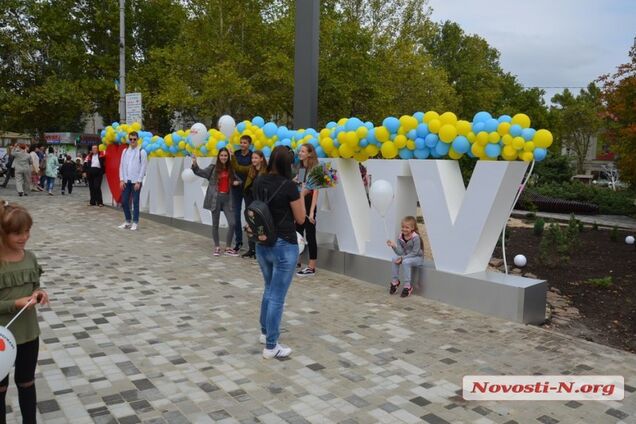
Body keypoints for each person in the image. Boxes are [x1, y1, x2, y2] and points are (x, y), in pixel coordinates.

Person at [252, 146, 307, 359]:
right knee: (277, 296)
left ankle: (265, 334)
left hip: (262, 242)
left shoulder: (259, 181)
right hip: (284, 244)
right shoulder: (289, 187)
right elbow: (301, 218)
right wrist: (300, 192)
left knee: (268, 290)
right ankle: (272, 346)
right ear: (288, 164)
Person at [0, 200, 50, 423]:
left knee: (27, 383)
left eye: (27, 231)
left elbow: (34, 285)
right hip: (2, 338)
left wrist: (38, 293)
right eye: (17, 233)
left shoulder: (30, 257)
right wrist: (15, 303)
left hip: (29, 334)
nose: (24, 237)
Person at [191, 148, 239, 256]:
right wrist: (194, 163)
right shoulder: (213, 168)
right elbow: (200, 172)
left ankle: (227, 247)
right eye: (221, 155)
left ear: (228, 157)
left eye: (225, 155)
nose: (223, 157)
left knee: (232, 223)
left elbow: (238, 179)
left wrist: (236, 182)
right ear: (218, 156)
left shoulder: (231, 169)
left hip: (227, 199)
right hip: (215, 199)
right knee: (215, 224)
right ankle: (217, 247)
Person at [231, 149, 267, 258]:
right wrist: (232, 156)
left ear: (261, 159)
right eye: (252, 158)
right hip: (249, 199)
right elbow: (237, 168)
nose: (253, 160)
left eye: (256, 158)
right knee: (250, 223)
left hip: (260, 201)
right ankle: (251, 249)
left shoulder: (266, 171)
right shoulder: (250, 168)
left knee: (260, 224)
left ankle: (259, 250)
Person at [294, 143, 320, 276]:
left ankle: (311, 266)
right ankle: (296, 261)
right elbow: (301, 187)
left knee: (310, 234)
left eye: (303, 151)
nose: (300, 153)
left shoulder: (315, 169)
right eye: (300, 151)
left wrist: (311, 213)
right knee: (297, 232)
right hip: (300, 203)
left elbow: (316, 192)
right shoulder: (301, 168)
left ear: (309, 153)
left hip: (309, 205)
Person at [386, 216, 424, 298]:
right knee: (394, 259)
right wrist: (393, 246)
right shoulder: (400, 237)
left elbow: (415, 252)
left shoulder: (416, 237)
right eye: (403, 227)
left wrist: (403, 258)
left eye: (407, 227)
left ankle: (407, 286)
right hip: (407, 257)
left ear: (412, 228)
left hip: (417, 258)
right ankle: (395, 282)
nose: (404, 229)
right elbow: (400, 252)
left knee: (406, 262)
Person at [118, 132, 148, 231]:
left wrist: (139, 181)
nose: (132, 141)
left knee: (135, 202)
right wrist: (121, 179)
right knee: (124, 201)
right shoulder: (125, 151)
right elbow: (121, 166)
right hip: (126, 180)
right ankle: (127, 221)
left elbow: (143, 167)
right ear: (128, 140)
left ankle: (135, 222)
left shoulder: (142, 151)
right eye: (130, 139)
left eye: (134, 139)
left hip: (136, 181)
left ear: (137, 139)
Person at [230, 135, 253, 253]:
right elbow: (232, 170)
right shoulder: (236, 154)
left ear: (249, 144)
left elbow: (248, 170)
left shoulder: (252, 155)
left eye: (245, 143)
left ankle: (252, 245)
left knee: (249, 215)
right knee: (236, 215)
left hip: (248, 189)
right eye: (241, 142)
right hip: (236, 188)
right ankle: (238, 242)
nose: (242, 144)